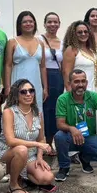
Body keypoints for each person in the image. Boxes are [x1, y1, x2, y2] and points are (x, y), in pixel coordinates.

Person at [0, 78, 56, 193]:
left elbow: (41, 138)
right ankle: (13, 185)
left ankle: (22, 176)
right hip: (8, 151)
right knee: (21, 149)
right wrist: (38, 145)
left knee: (47, 178)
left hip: (30, 154)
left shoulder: (38, 114)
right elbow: (10, 141)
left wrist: (39, 157)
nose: (28, 94)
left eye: (31, 91)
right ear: (16, 95)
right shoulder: (9, 112)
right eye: (23, 92)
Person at [54, 69, 97, 180]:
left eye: (83, 81)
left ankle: (85, 157)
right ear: (70, 84)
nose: (80, 85)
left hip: (88, 137)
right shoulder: (63, 99)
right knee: (59, 136)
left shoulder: (92, 96)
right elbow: (60, 124)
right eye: (76, 81)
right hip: (70, 137)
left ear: (87, 83)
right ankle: (64, 167)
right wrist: (72, 129)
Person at [62, 20, 97, 135]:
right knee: (77, 119)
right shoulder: (71, 50)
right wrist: (72, 97)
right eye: (79, 32)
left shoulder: (92, 50)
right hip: (77, 91)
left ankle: (90, 147)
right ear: (74, 34)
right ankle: (75, 149)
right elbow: (66, 74)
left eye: (86, 31)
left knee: (90, 120)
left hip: (91, 90)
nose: (83, 34)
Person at [4, 11, 47, 114]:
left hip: (36, 84)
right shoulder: (12, 42)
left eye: (31, 21)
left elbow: (43, 66)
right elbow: (8, 65)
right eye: (25, 22)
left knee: (36, 113)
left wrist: (45, 87)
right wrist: (7, 87)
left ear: (35, 24)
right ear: (19, 25)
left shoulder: (40, 43)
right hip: (18, 83)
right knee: (17, 111)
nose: (28, 24)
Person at [39, 12, 63, 154]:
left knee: (54, 110)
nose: (52, 24)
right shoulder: (39, 39)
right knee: (43, 110)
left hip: (57, 78)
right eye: (49, 22)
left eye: (55, 22)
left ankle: (51, 142)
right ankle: (42, 142)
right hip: (43, 76)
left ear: (59, 24)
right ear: (44, 24)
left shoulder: (62, 42)